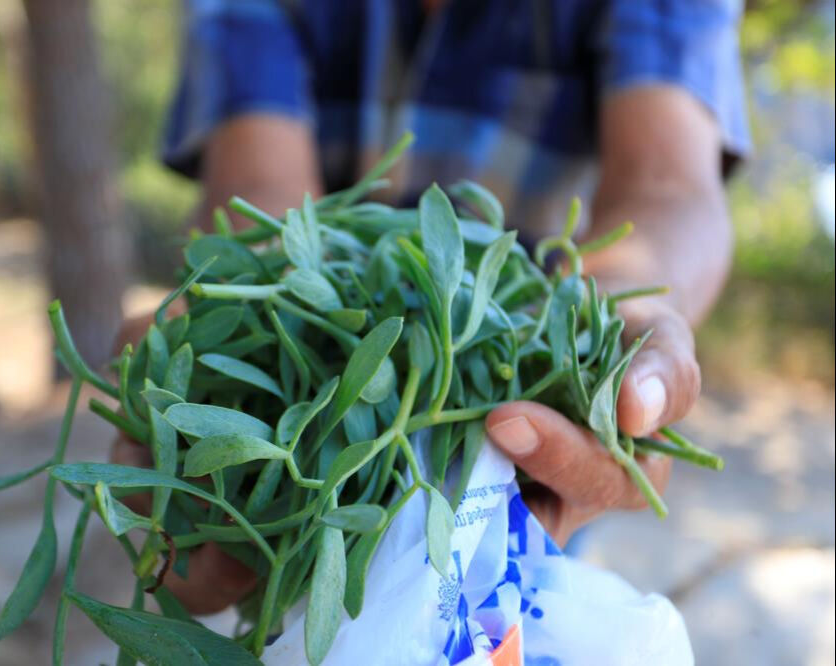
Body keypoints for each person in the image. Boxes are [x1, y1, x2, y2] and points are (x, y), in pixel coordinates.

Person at [113, 0, 749, 614]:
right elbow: (259, 200)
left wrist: (616, 316)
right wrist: (220, 357)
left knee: (501, 605)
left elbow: (667, 185)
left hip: (524, 428)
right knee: (306, 605)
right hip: (308, 474)